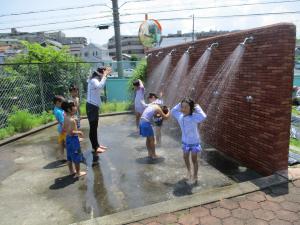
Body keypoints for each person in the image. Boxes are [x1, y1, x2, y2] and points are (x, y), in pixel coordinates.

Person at [171, 98, 207, 184]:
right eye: (182, 107)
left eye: (186, 107)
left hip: (194, 143)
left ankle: (195, 175)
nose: (183, 109)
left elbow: (203, 116)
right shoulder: (180, 116)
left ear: (191, 108)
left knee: (194, 159)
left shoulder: (194, 117)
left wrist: (197, 107)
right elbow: (172, 111)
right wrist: (180, 103)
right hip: (185, 142)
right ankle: (189, 171)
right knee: (185, 157)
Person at [86, 67, 112, 154]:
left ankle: (97, 145)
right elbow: (100, 86)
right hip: (91, 106)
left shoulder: (95, 79)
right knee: (93, 128)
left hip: (94, 106)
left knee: (94, 127)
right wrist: (105, 75)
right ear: (100, 73)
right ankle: (95, 147)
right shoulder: (94, 80)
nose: (105, 77)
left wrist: (105, 75)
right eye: (104, 74)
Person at [62, 100, 86, 178]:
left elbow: (64, 129)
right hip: (73, 140)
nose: (76, 107)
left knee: (69, 156)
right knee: (77, 157)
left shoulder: (65, 117)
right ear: (69, 109)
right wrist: (79, 132)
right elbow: (72, 132)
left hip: (68, 139)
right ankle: (78, 173)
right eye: (74, 106)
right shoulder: (72, 120)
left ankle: (71, 171)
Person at [53, 95, 66, 161]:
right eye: (62, 103)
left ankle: (62, 156)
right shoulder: (59, 111)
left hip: (61, 129)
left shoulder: (57, 109)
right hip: (64, 129)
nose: (64, 104)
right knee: (67, 143)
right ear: (58, 102)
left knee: (61, 142)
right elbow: (62, 122)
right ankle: (71, 155)